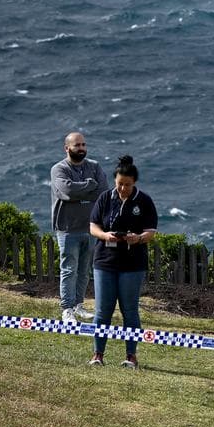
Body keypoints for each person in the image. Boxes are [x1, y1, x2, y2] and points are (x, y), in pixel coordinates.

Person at [87, 155, 158, 368]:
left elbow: (151, 232)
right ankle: (97, 354)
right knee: (102, 311)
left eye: (127, 185)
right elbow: (93, 226)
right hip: (105, 262)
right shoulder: (105, 198)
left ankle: (131, 356)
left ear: (134, 182)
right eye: (119, 184)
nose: (122, 189)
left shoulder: (144, 201)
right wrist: (105, 236)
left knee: (130, 310)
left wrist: (138, 238)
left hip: (132, 264)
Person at [50, 131, 108, 324]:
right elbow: (66, 192)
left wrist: (80, 191)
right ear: (67, 148)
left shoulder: (95, 166)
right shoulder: (59, 169)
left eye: (83, 145)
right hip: (67, 228)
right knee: (69, 269)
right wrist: (88, 186)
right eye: (77, 145)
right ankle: (67, 309)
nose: (81, 148)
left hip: (90, 227)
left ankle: (78, 305)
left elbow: (102, 192)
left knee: (84, 270)